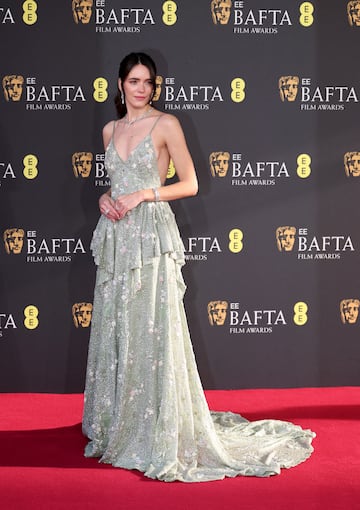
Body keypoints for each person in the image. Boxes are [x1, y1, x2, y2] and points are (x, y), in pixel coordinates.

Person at [82, 52, 315, 482]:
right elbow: (116, 184)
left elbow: (189, 182)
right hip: (117, 238)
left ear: (154, 86)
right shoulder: (110, 130)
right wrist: (106, 198)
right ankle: (124, 423)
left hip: (152, 236)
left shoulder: (166, 124)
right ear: (119, 85)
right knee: (120, 327)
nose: (141, 89)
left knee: (154, 327)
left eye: (147, 82)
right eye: (133, 81)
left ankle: (159, 428)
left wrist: (143, 196)